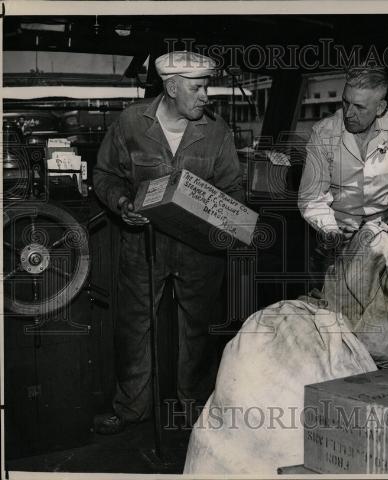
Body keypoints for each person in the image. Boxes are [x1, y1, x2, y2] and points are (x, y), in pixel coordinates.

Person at [92, 51, 244, 434]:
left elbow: (233, 189)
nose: (206, 95)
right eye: (197, 87)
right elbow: (105, 174)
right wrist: (122, 203)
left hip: (198, 249)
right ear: (172, 87)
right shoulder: (131, 122)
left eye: (206, 86)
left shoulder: (217, 130)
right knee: (133, 328)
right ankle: (130, 409)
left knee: (199, 330)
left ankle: (194, 411)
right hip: (144, 244)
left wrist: (219, 215)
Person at [298, 66, 388, 277]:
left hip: (383, 237)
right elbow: (311, 197)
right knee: (329, 306)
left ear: (380, 108)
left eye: (359, 107)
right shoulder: (323, 133)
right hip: (335, 238)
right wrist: (331, 230)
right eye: (345, 102)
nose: (349, 114)